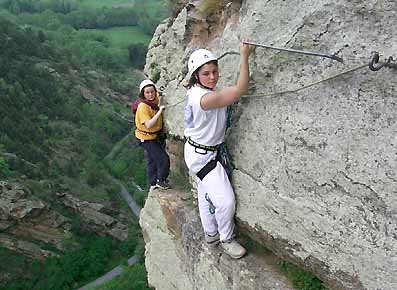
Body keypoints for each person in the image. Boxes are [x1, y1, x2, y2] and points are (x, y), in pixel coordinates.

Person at [183, 42, 255, 259]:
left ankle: (211, 233)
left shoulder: (196, 90)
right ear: (196, 75)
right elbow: (240, 90)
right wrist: (244, 55)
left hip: (199, 152)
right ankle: (226, 238)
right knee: (225, 201)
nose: (213, 77)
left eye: (215, 71)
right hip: (203, 157)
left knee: (206, 192)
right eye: (206, 73)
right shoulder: (204, 98)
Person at [134, 79, 170, 190]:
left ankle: (153, 182)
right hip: (146, 138)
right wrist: (160, 111)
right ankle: (161, 180)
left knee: (152, 160)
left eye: (152, 92)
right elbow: (149, 124)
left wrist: (158, 91)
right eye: (147, 93)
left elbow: (157, 93)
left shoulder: (153, 99)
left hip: (151, 136)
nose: (150, 94)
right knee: (163, 159)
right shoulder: (143, 107)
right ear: (143, 94)